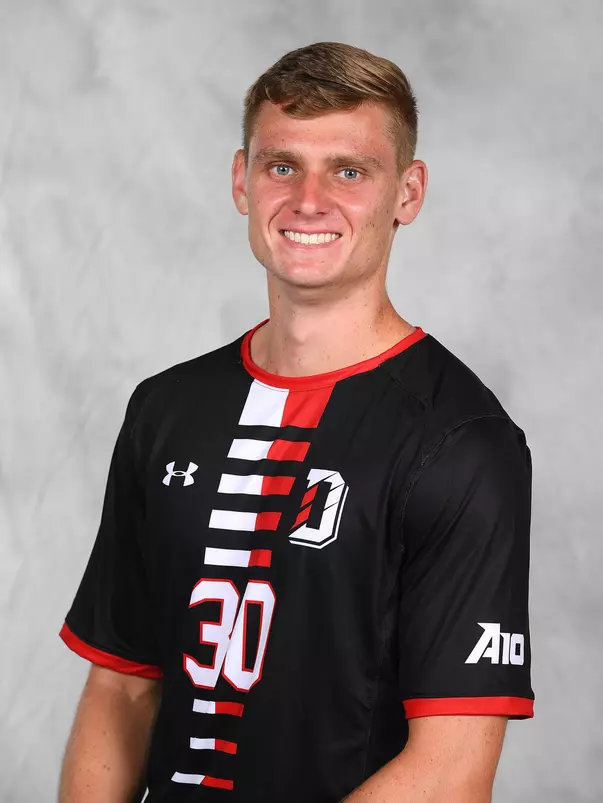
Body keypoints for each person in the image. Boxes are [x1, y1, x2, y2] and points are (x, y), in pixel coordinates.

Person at [58, 41, 534, 803]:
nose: (309, 199)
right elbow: (120, 687)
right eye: (282, 165)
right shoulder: (166, 408)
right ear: (241, 180)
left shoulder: (462, 443)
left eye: (349, 171)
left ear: (406, 193)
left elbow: (449, 769)